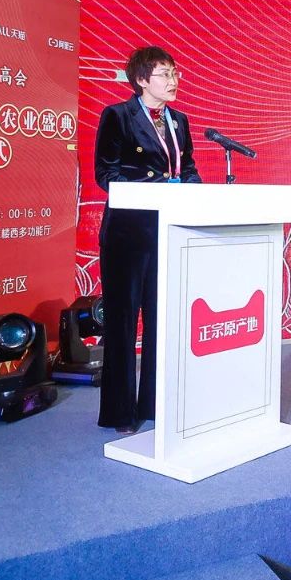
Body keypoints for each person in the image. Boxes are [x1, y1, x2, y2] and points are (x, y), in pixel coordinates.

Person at [94, 46, 201, 432]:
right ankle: (120, 412)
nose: (173, 81)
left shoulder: (180, 120)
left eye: (175, 73)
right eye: (164, 74)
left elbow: (188, 168)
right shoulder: (117, 116)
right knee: (122, 322)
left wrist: (193, 189)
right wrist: (157, 187)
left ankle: (154, 404)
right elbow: (106, 175)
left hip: (168, 231)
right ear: (141, 80)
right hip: (127, 235)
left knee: (161, 319)